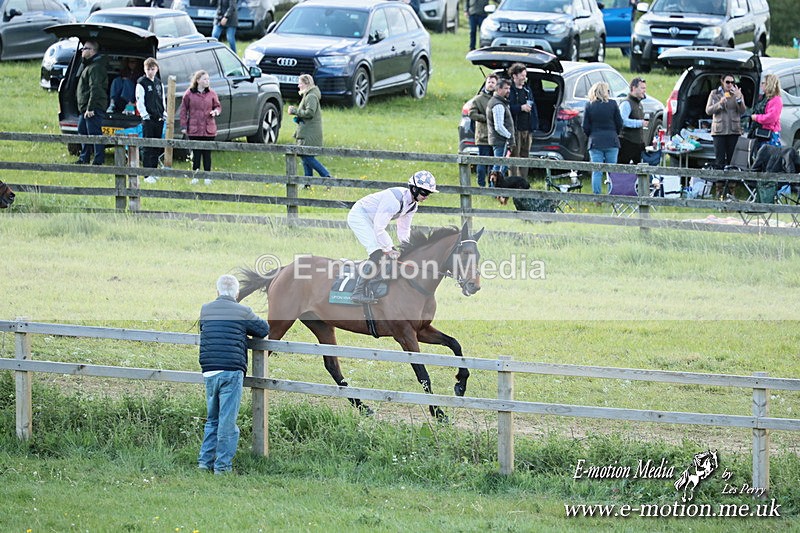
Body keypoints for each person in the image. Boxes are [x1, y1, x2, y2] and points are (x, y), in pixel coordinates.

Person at [198, 274, 269, 474]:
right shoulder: (242, 311)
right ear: (237, 293)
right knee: (227, 422)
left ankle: (204, 463)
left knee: (213, 419)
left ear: (217, 291)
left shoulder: (206, 309)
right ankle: (222, 467)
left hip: (209, 370)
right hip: (231, 369)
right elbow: (263, 329)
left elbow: (204, 329)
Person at [346, 170, 437, 304]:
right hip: (359, 216)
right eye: (424, 192)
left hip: (373, 220)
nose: (426, 196)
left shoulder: (413, 206)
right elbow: (379, 228)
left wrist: (408, 248)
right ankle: (358, 293)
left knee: (390, 255)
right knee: (377, 253)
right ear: (414, 188)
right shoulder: (394, 201)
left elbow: (404, 229)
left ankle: (376, 285)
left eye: (428, 193)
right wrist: (390, 248)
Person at [180, 70, 222, 183]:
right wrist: (183, 126)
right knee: (196, 153)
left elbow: (218, 106)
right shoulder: (189, 94)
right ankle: (196, 175)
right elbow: (183, 110)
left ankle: (208, 176)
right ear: (198, 80)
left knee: (207, 153)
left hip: (209, 129)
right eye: (204, 79)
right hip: (194, 129)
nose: (207, 81)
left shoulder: (212, 93)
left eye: (208, 79)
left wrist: (215, 112)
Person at [288, 74, 331, 183]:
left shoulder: (311, 96)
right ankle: (308, 183)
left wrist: (295, 111)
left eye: (300, 83)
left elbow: (310, 113)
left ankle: (326, 176)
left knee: (306, 156)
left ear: (306, 83)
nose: (298, 86)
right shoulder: (308, 95)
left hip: (309, 133)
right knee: (304, 156)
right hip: (306, 131)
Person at [582, 81, 623, 195]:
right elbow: (619, 123)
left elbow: (585, 126)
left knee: (597, 171)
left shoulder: (589, 105)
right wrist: (615, 133)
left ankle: (597, 197)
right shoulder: (613, 104)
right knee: (612, 171)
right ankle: (612, 194)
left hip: (595, 142)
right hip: (611, 141)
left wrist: (591, 135)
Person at [75, 40, 108, 165]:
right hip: (86, 108)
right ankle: (84, 158)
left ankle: (98, 160)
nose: (82, 50)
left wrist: (90, 108)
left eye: (85, 48)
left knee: (95, 134)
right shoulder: (89, 66)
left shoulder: (95, 67)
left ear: (93, 51)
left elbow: (95, 88)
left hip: (93, 107)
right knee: (82, 130)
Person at [705, 73, 746, 169]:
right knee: (719, 158)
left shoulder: (737, 94)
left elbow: (742, 111)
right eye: (727, 82)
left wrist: (739, 99)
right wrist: (720, 104)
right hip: (719, 131)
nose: (730, 84)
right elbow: (708, 110)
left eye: (732, 82)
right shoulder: (714, 93)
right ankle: (720, 181)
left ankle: (731, 181)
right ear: (722, 82)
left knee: (733, 158)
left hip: (733, 130)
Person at [136, 57, 166, 183]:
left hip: (159, 118)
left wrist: (164, 112)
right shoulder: (141, 83)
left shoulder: (159, 83)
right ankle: (147, 174)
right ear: (144, 69)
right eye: (148, 69)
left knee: (157, 146)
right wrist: (144, 115)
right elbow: (139, 100)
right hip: (148, 119)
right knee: (148, 146)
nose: (150, 71)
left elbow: (162, 99)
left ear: (157, 69)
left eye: (152, 69)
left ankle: (154, 171)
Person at [507, 63, 538, 178]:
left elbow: (533, 107)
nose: (524, 78)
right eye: (522, 75)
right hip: (515, 129)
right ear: (514, 76)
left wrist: (534, 124)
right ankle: (513, 181)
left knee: (525, 156)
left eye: (525, 75)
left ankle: (523, 182)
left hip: (527, 129)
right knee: (515, 156)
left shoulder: (527, 90)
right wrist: (521, 108)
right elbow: (508, 108)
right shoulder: (509, 90)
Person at [468, 74, 497, 187]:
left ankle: (491, 185)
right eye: (489, 82)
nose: (490, 84)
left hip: (494, 137)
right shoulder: (478, 99)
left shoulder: (497, 99)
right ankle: (481, 184)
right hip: (483, 136)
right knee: (482, 162)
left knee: (493, 163)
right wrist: (485, 118)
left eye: (493, 82)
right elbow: (472, 113)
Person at [487, 78, 514, 179]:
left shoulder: (499, 102)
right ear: (498, 89)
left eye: (509, 88)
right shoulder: (498, 104)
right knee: (499, 167)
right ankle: (495, 191)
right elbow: (498, 126)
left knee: (500, 166)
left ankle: (496, 192)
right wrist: (509, 136)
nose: (508, 91)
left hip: (500, 140)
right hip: (500, 140)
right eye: (506, 88)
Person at [618, 77, 648, 165]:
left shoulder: (639, 103)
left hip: (638, 144)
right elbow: (623, 121)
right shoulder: (626, 103)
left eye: (645, 88)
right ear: (634, 88)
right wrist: (640, 123)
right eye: (642, 88)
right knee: (622, 172)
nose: (644, 91)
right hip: (627, 143)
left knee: (640, 173)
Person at [750, 74, 783, 154]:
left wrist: (756, 117)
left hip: (770, 135)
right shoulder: (764, 98)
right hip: (761, 133)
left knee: (769, 159)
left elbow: (771, 118)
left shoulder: (776, 100)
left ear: (769, 84)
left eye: (763, 83)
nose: (761, 85)